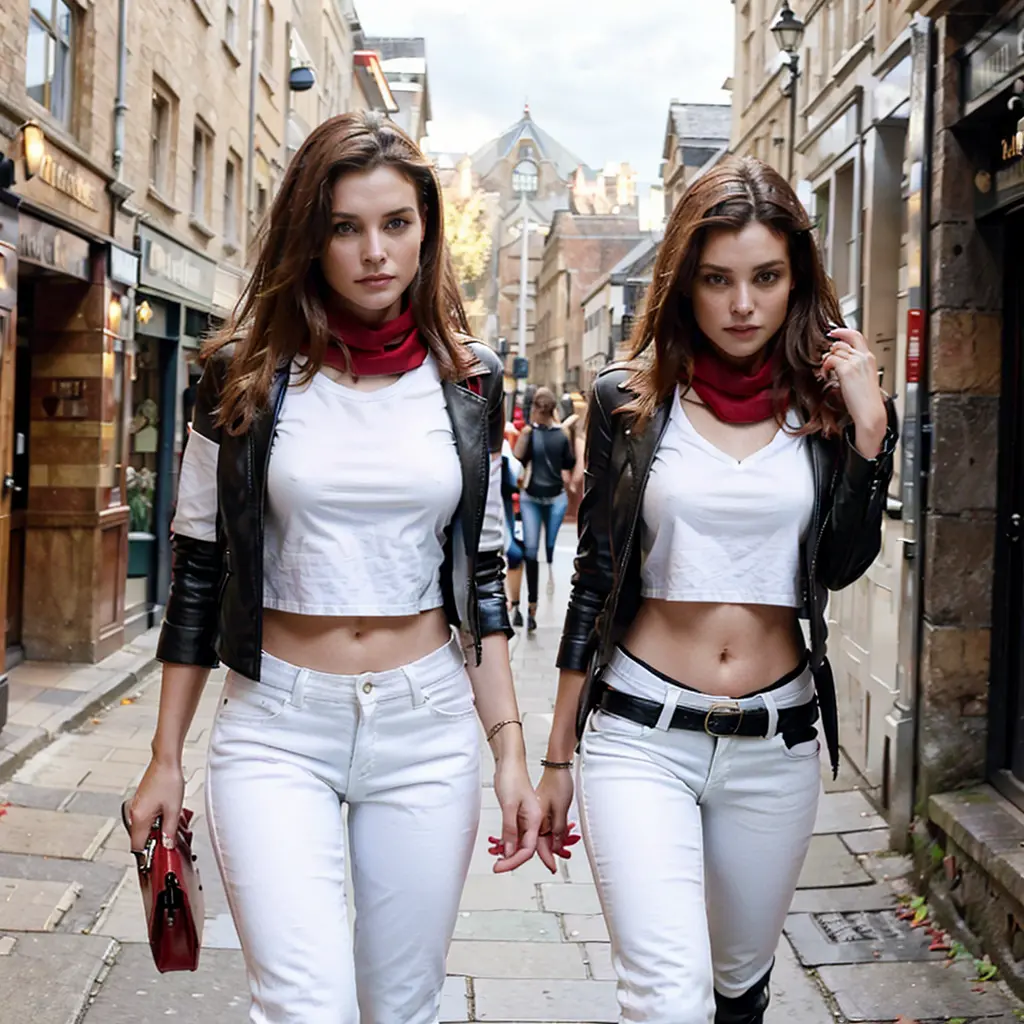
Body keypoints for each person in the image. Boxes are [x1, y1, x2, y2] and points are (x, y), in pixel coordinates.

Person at [127, 112, 540, 1024]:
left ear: (426, 230)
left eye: (395, 224)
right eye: (345, 227)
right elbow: (198, 569)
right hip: (277, 724)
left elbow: (479, 575)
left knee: (403, 1005)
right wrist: (164, 758)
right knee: (304, 1005)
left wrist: (510, 749)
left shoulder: (469, 380)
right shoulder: (241, 375)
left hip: (426, 726)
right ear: (310, 238)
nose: (373, 251)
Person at [535, 156, 898, 1024]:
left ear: (795, 281)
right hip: (639, 734)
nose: (742, 305)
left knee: (738, 988)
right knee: (667, 998)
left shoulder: (825, 409)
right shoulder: (630, 400)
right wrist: (555, 755)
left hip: (775, 742)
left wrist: (871, 434)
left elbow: (840, 565)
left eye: (766, 278)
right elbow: (595, 578)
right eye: (717, 280)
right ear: (684, 284)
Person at [513, 386, 577, 631]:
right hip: (547, 497)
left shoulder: (535, 434)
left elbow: (517, 460)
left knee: (538, 551)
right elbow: (569, 463)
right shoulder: (559, 435)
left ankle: (533, 605)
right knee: (535, 551)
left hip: (536, 497)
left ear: (538, 409)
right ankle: (532, 606)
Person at [502, 437, 525, 626]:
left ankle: (512, 600)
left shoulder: (502, 445)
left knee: (513, 553)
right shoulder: (501, 445)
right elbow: (516, 470)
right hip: (501, 504)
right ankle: (511, 599)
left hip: (503, 502)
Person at [559, 391, 587, 523]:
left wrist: (573, 482)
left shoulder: (574, 430)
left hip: (572, 484)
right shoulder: (574, 427)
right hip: (572, 482)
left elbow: (580, 460)